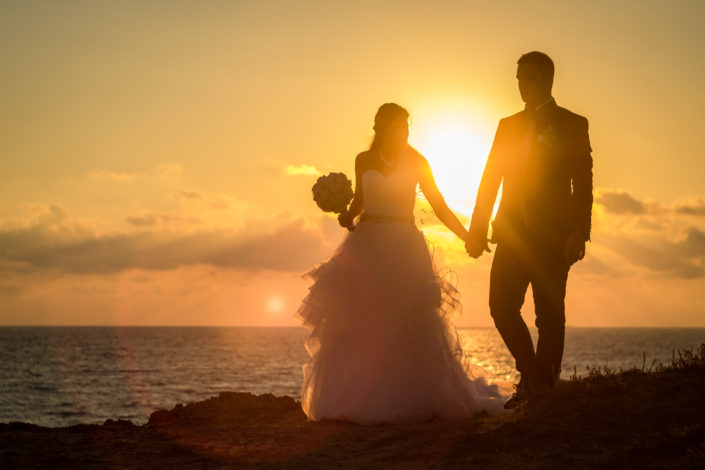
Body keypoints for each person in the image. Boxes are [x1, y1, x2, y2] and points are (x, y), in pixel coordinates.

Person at [297, 103, 505, 424]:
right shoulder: (363, 160)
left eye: (406, 126)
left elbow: (438, 204)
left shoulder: (417, 161)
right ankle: (360, 396)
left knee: (413, 321)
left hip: (404, 247)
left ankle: (415, 394)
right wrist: (347, 214)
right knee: (362, 320)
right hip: (367, 244)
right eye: (397, 126)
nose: (403, 133)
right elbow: (359, 202)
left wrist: (467, 236)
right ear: (381, 128)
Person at [466, 51, 593, 408]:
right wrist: (477, 229)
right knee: (501, 306)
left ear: (547, 80)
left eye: (528, 77)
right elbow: (490, 180)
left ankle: (542, 391)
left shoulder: (572, 123)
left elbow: (582, 183)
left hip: (554, 236)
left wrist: (578, 232)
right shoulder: (507, 125)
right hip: (511, 233)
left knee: (550, 314)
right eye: (518, 77)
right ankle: (534, 378)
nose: (520, 84)